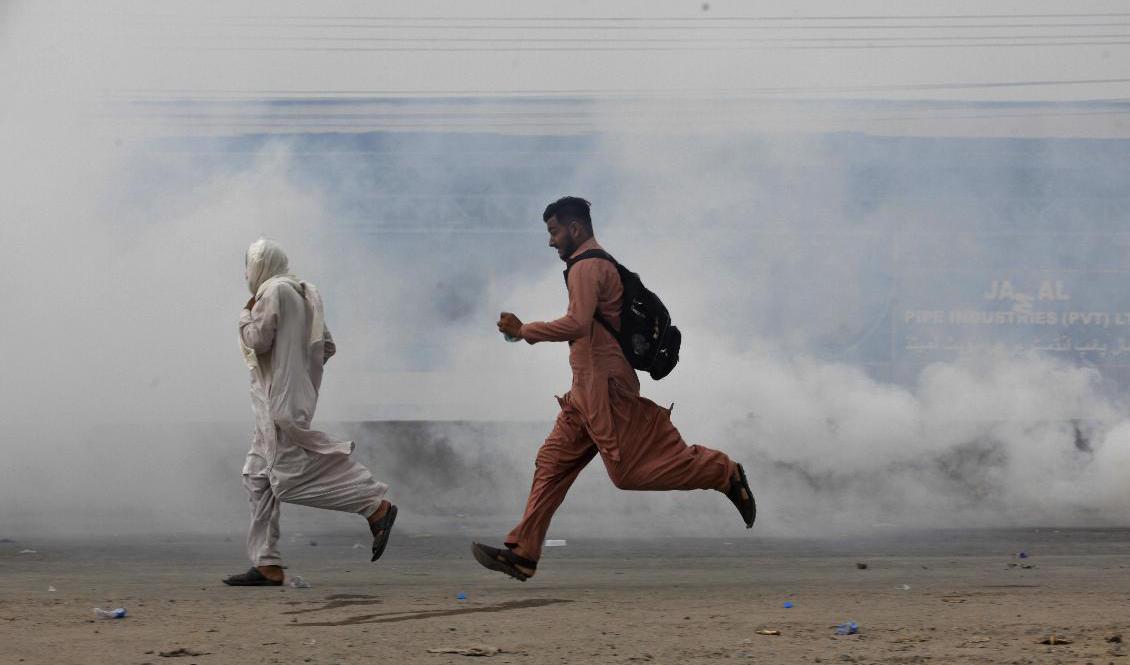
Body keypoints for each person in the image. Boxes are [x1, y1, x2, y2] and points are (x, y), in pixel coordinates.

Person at [472, 197, 755, 581]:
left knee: (629, 475)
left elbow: (577, 323)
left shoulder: (587, 268)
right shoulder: (589, 265)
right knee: (551, 465)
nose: (551, 242)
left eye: (554, 233)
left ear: (574, 229)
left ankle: (722, 471)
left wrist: (525, 331)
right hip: (582, 393)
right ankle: (523, 552)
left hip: (606, 391)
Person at [223, 238, 396, 586]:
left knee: (286, 483)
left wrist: (244, 315)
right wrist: (299, 370)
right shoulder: (304, 292)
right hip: (287, 397)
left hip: (278, 403)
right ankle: (267, 563)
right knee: (257, 479)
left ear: (260, 265)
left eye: (248, 266)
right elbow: (326, 345)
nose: (246, 274)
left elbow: (257, 340)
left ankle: (373, 504)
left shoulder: (272, 292)